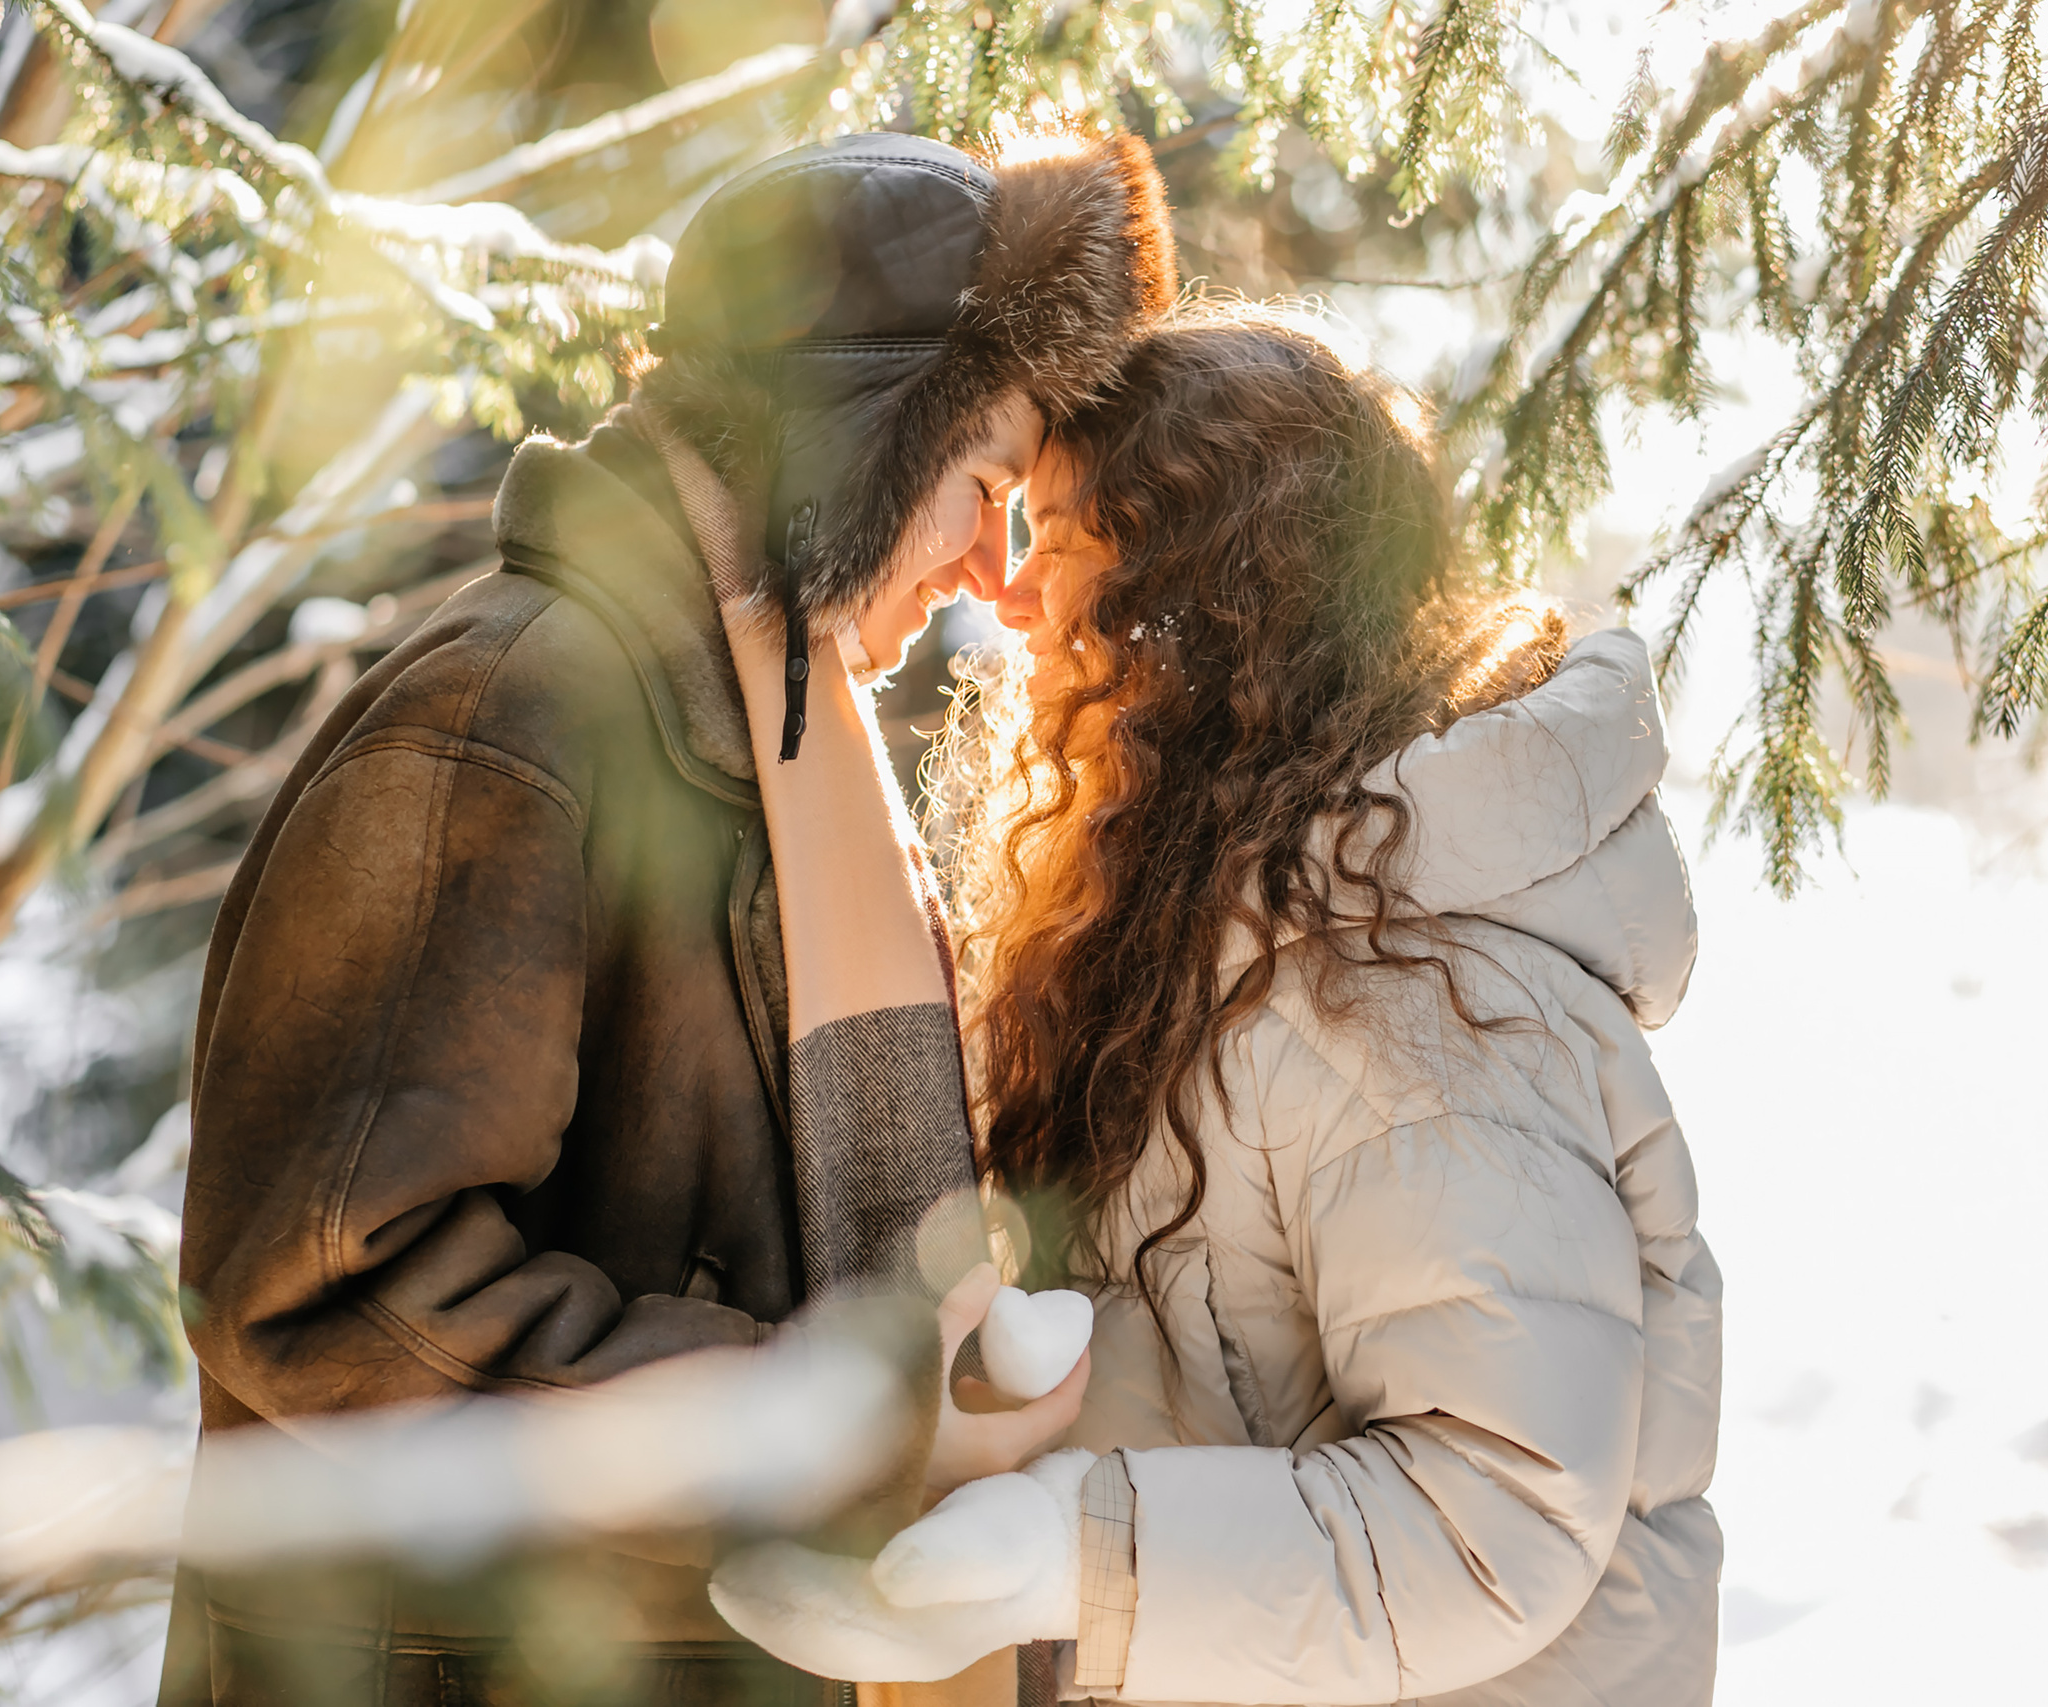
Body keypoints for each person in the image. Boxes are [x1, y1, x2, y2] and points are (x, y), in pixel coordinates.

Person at [165, 129, 1177, 1707]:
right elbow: (321, 1290)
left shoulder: (769, 743)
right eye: (981, 487)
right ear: (856, 434)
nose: (991, 567)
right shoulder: (508, 717)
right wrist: (817, 1424)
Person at [708, 306, 1725, 1706]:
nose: (1013, 595)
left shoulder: (1423, 995)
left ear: (1204, 595)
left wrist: (1068, 1557)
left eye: (1059, 540)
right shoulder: (1201, 922)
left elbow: (1493, 1518)